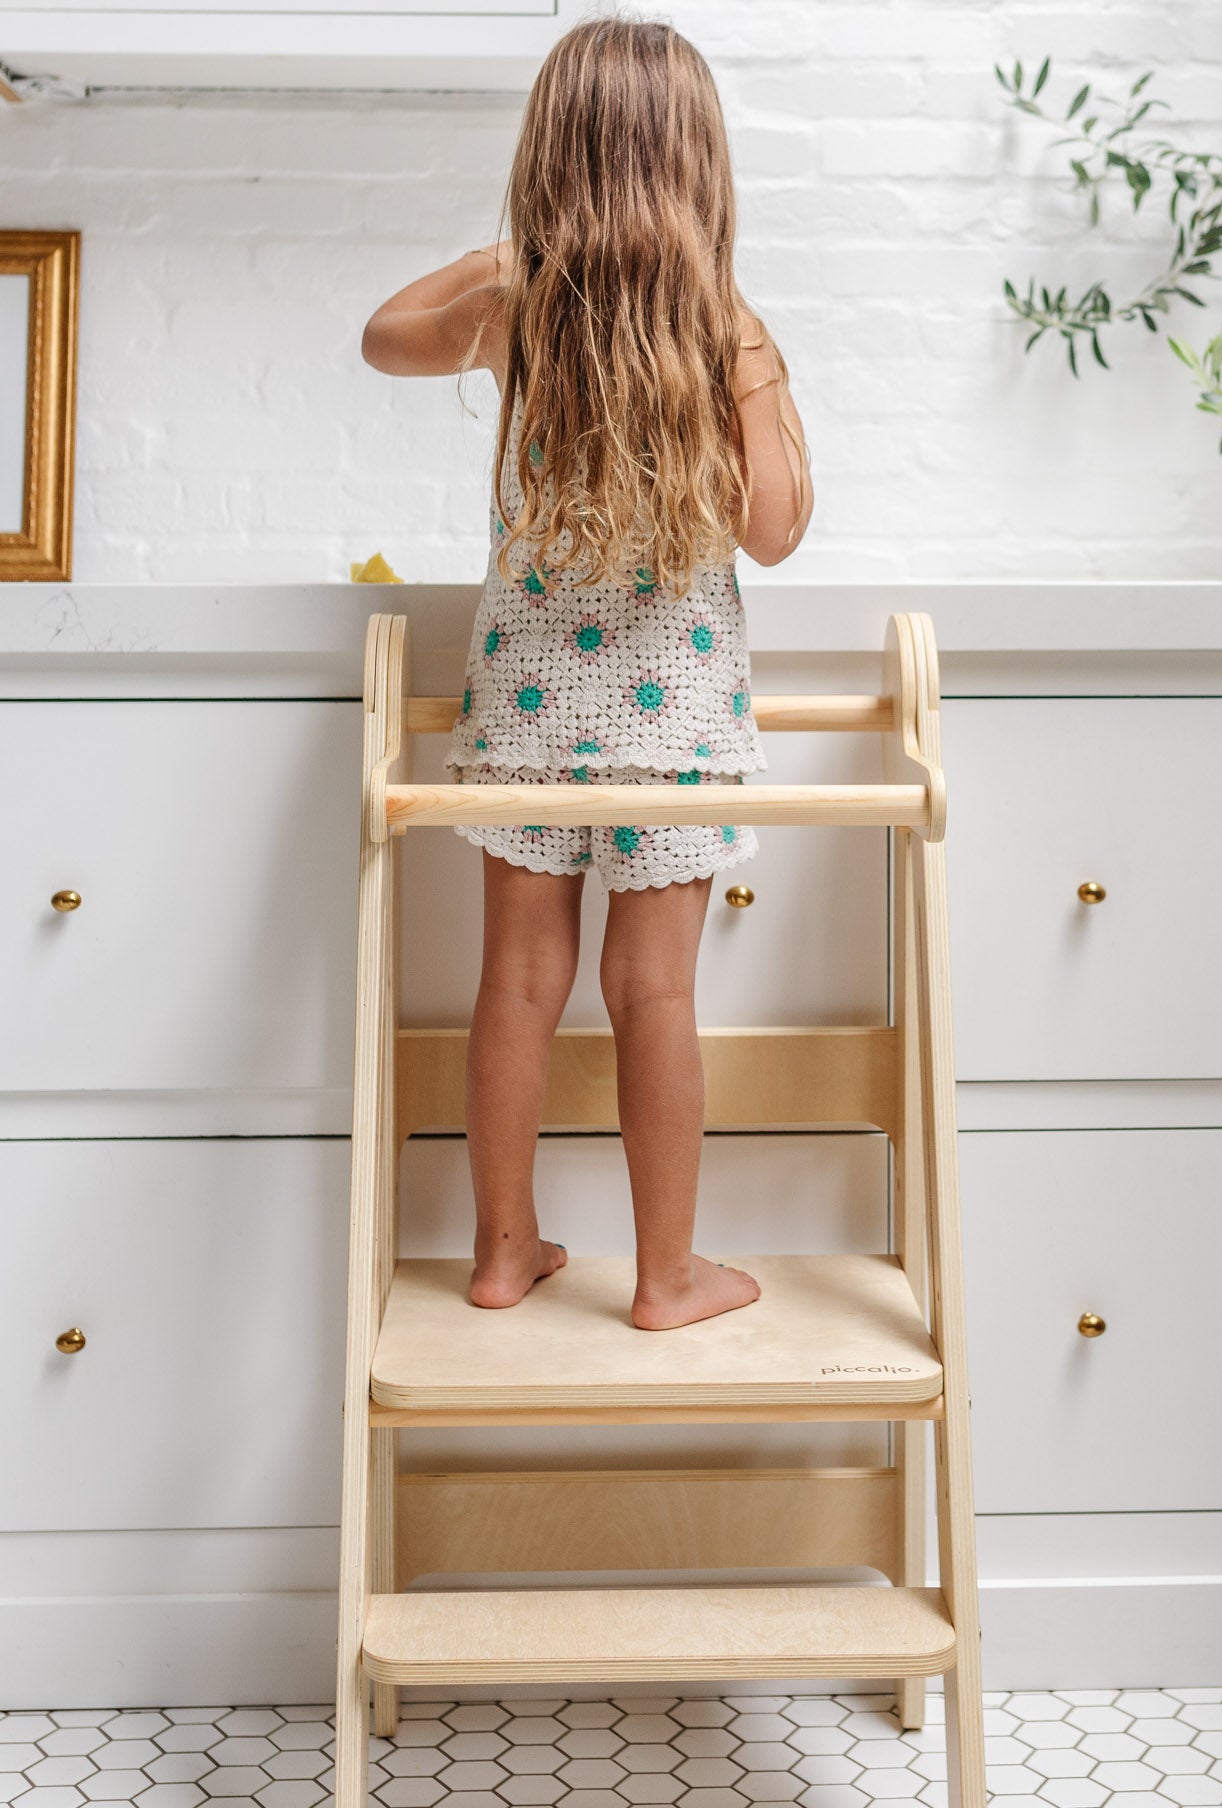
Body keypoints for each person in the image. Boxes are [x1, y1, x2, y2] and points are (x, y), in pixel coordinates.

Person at [361, 17, 812, 1329]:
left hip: (528, 701)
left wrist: (513, 257)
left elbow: (387, 336)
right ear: (701, 164)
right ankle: (666, 1277)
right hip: (669, 713)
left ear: (549, 154)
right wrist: (750, 347)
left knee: (515, 978)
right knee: (653, 989)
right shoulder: (717, 322)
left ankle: (504, 1254)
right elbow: (775, 529)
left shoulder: (517, 304)